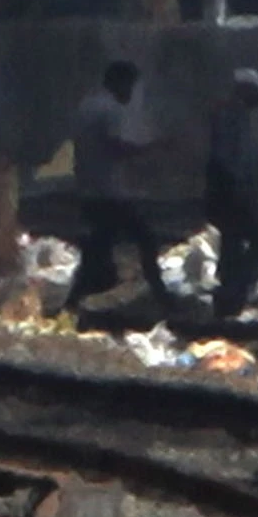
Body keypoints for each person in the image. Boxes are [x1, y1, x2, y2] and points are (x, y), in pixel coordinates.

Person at [62, 56, 155, 319]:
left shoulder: (86, 106)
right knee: (144, 239)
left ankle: (79, 302)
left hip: (89, 188)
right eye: (130, 86)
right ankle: (158, 293)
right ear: (119, 83)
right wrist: (152, 150)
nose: (131, 92)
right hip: (108, 192)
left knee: (98, 248)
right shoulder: (110, 109)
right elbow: (116, 147)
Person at [201, 63, 258, 325]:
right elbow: (227, 160)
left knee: (233, 246)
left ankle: (228, 299)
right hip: (230, 195)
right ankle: (233, 293)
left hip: (229, 194)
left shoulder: (234, 116)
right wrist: (242, 190)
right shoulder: (230, 117)